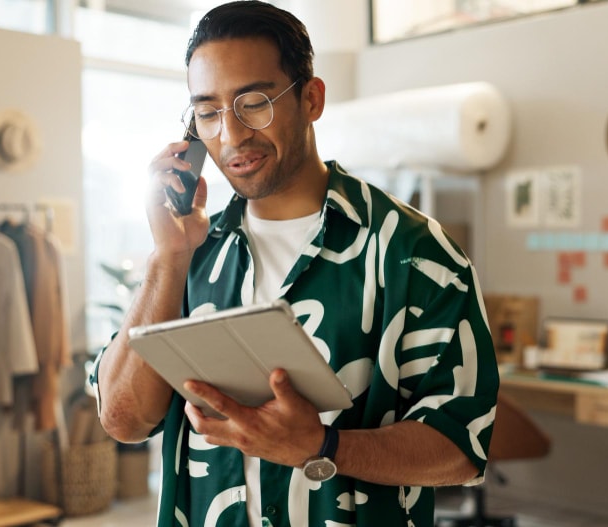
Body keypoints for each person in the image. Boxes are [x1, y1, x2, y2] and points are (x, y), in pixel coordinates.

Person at [89, 2, 499, 526]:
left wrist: (324, 445)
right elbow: (122, 420)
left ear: (311, 98)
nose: (232, 136)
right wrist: (168, 257)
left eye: (253, 102)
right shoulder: (191, 255)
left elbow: (461, 448)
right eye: (208, 112)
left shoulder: (414, 253)